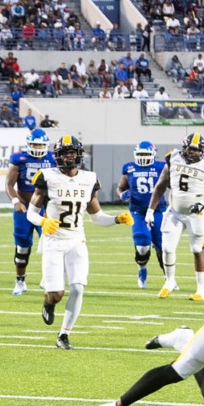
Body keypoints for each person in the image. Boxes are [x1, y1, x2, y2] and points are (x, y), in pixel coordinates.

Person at [28, 135, 132, 350]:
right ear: (58, 155)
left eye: (72, 152)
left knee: (77, 287)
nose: (69, 156)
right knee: (56, 293)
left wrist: (115, 220)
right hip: (53, 241)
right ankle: (48, 303)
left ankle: (64, 334)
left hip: (76, 240)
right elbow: (31, 213)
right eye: (65, 152)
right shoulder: (46, 177)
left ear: (78, 155)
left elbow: (96, 217)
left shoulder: (89, 178)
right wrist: (43, 221)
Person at [146, 133, 204, 301]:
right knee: (167, 248)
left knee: (197, 250)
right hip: (174, 211)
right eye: (190, 149)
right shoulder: (173, 158)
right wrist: (150, 210)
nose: (193, 153)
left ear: (202, 151)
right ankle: (169, 282)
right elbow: (161, 185)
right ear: (184, 147)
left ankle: (201, 290)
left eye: (197, 150)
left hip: (196, 214)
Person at [5, 129, 55, 295]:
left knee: (50, 244)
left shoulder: (53, 159)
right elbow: (9, 184)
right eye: (34, 144)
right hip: (25, 208)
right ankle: (20, 281)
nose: (38, 147)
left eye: (41, 144)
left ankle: (47, 278)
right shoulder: (19, 159)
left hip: (45, 209)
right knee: (22, 247)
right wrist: (15, 201)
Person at [116, 142, 166, 289]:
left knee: (162, 246)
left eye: (146, 154)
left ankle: (168, 278)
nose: (143, 157)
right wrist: (122, 194)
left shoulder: (161, 167)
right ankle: (142, 270)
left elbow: (171, 186)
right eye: (140, 154)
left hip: (158, 210)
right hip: (137, 211)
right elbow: (120, 188)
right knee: (142, 245)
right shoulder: (129, 168)